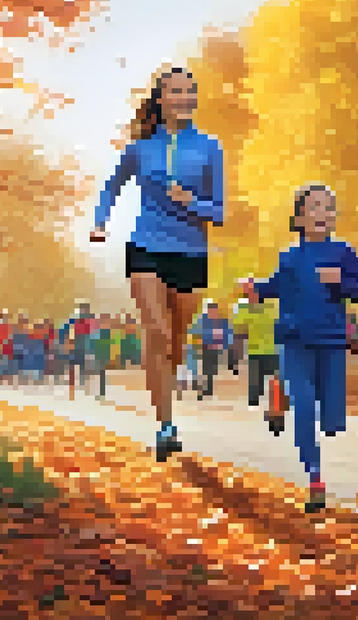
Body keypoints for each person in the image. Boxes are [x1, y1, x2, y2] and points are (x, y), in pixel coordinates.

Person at [91, 65, 225, 462]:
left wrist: (191, 202)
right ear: (161, 100)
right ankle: (165, 426)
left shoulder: (209, 147)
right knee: (157, 330)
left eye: (190, 92)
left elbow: (219, 212)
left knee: (176, 339)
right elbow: (112, 187)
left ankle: (170, 389)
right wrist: (101, 221)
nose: (184, 98)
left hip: (191, 251)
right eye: (175, 92)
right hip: (146, 245)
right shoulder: (140, 148)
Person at [242, 183, 358, 512]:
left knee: (332, 421)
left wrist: (339, 281)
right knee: (305, 409)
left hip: (330, 342)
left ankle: (278, 392)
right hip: (294, 340)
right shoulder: (291, 256)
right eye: (314, 207)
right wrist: (254, 288)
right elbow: (273, 286)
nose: (321, 213)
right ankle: (315, 479)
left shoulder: (344, 253)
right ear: (299, 218)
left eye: (328, 208)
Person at [235, 296, 286, 433]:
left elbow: (240, 331)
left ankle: (275, 416)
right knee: (271, 384)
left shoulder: (253, 308)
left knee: (270, 384)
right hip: (265, 351)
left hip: (267, 351)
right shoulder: (273, 305)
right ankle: (274, 414)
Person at [189, 300, 233, 398]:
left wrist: (225, 346)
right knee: (206, 369)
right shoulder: (204, 320)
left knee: (212, 369)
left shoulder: (223, 321)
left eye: (214, 311)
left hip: (217, 349)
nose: (212, 313)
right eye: (210, 311)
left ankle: (206, 386)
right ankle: (205, 388)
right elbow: (198, 332)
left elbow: (228, 333)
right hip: (206, 347)